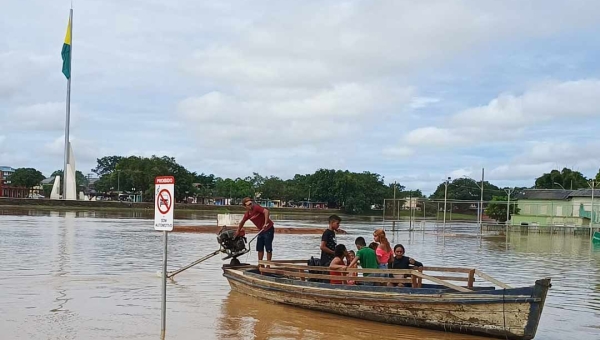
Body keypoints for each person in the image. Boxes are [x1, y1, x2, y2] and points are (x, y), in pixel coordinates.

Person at [235, 197, 275, 263]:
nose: (251, 205)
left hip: (268, 229)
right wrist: (238, 230)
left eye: (251, 203)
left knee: (268, 248)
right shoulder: (247, 214)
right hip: (261, 230)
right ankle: (260, 264)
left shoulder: (256, 207)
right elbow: (242, 222)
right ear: (245, 206)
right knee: (259, 248)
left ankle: (268, 265)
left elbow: (266, 211)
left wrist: (265, 223)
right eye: (249, 205)